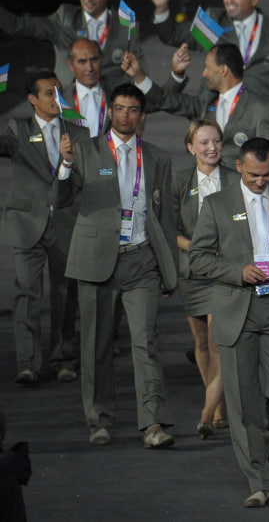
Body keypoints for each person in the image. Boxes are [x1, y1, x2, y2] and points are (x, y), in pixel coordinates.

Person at [188, 137, 269, 508]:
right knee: (243, 404)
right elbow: (197, 258)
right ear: (239, 167)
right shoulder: (217, 205)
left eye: (268, 175)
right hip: (236, 310)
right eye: (254, 175)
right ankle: (260, 480)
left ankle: (255, 447)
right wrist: (236, 271)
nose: (261, 181)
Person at [56, 84, 177, 449]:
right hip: (96, 260)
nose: (125, 115)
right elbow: (61, 199)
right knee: (96, 345)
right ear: (110, 111)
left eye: (133, 109)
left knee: (145, 342)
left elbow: (165, 217)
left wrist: (169, 269)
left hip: (141, 259)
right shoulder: (85, 150)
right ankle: (99, 420)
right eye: (120, 108)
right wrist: (65, 164)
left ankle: (153, 424)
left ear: (142, 115)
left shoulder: (157, 158)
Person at [0, 71, 88, 384]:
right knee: (26, 293)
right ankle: (28, 363)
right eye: (49, 93)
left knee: (65, 294)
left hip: (64, 223)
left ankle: (63, 358)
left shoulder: (78, 133)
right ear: (32, 99)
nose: (57, 98)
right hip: (27, 224)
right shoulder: (19, 128)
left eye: (59, 92)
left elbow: (89, 178)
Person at [151, 0, 269, 142]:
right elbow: (172, 35)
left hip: (259, 117)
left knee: (261, 158)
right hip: (217, 114)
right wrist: (161, 8)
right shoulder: (213, 23)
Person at [172, 118, 238, 436]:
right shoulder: (179, 181)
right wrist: (197, 249)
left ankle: (211, 409)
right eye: (204, 142)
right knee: (200, 342)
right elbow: (169, 227)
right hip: (191, 271)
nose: (212, 148)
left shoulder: (236, 179)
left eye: (216, 141)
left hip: (223, 273)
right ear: (190, 148)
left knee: (216, 342)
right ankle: (214, 398)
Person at [127, 44, 269, 167]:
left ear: (223, 70)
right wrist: (139, 75)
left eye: (208, 68)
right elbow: (167, 101)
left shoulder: (260, 108)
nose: (204, 73)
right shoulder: (207, 101)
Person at [0, 0, 143, 95]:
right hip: (70, 108)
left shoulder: (126, 29)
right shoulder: (65, 19)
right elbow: (16, 26)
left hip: (109, 109)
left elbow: (139, 78)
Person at [63, 39, 110, 138]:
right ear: (70, 65)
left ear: (101, 60)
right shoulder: (61, 100)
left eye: (94, 60)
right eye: (82, 62)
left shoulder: (116, 92)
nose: (90, 68)